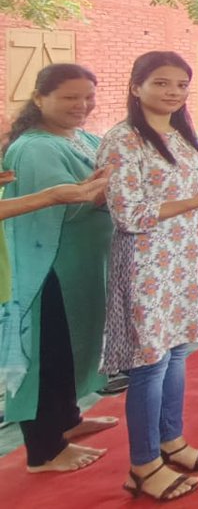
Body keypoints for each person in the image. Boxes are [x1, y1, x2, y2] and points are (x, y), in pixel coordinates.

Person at [98, 51, 198, 501]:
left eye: (181, 85)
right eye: (161, 83)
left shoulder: (181, 134)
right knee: (150, 364)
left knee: (179, 352)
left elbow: (185, 191)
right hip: (148, 262)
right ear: (135, 87)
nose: (173, 92)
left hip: (187, 256)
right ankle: (143, 464)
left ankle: (171, 440)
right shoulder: (123, 141)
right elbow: (129, 214)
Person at [2, 64, 115, 475]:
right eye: (70, 97)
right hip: (50, 267)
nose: (82, 106)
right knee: (49, 353)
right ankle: (44, 450)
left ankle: (68, 420)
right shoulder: (35, 147)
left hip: (82, 265)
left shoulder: (82, 138)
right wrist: (107, 189)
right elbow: (64, 210)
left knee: (73, 348)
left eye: (88, 96)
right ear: (39, 98)